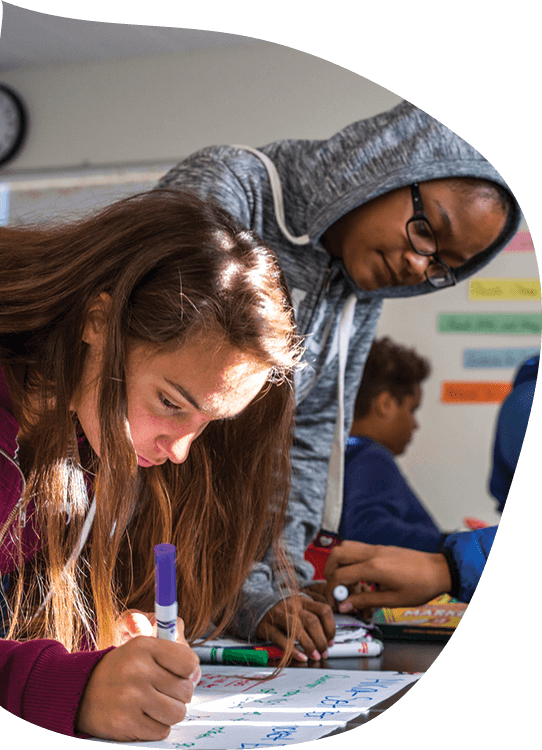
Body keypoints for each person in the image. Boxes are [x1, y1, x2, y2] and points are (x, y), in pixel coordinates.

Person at [157, 100, 522, 659]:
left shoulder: (359, 291)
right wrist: (245, 593)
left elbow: (306, 441)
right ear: (385, 163)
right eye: (426, 230)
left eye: (443, 265)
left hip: (209, 584)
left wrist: (284, 585)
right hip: (130, 543)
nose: (418, 267)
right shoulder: (230, 189)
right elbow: (158, 411)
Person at [0, 190, 305, 741]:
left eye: (209, 421)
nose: (181, 449)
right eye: (170, 403)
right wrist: (67, 686)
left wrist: (101, 635)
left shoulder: (77, 420)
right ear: (98, 320)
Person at [323, 353, 539, 613]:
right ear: (385, 404)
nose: (415, 424)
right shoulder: (371, 457)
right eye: (412, 409)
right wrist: (446, 547)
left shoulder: (342, 455)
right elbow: (366, 528)